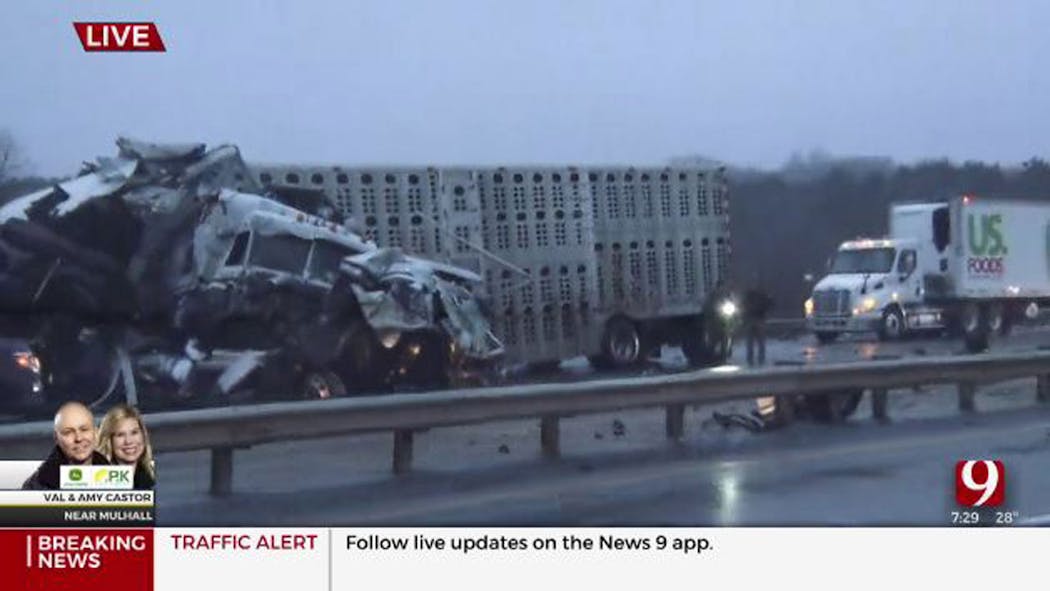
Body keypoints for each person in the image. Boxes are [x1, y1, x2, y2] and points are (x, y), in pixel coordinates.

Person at [22, 401, 109, 490]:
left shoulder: (116, 478)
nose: (78, 438)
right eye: (68, 432)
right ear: (56, 438)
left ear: (96, 432)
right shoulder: (36, 487)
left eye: (84, 430)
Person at [97, 404, 156, 490]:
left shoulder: (147, 478)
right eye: (120, 435)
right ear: (109, 441)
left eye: (134, 433)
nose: (128, 441)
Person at [742, 283, 774, 366]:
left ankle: (751, 360)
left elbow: (742, 307)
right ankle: (760, 359)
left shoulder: (748, 296)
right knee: (760, 341)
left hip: (751, 319)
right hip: (759, 319)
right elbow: (769, 304)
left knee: (750, 342)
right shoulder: (762, 295)